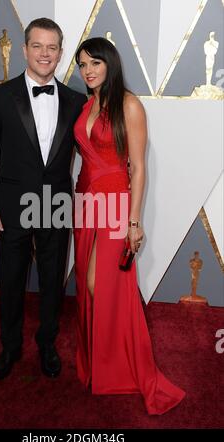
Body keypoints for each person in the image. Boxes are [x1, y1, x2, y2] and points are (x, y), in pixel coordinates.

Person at [73, 37, 185, 415]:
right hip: (85, 204)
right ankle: (99, 365)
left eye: (94, 64)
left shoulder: (129, 104)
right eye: (82, 65)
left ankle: (119, 366)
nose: (88, 71)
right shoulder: (89, 103)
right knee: (89, 288)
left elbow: (138, 168)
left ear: (110, 64)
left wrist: (133, 222)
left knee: (99, 283)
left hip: (115, 206)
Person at [0, 18, 86, 382]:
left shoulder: (76, 101)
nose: (44, 53)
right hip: (9, 205)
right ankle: (9, 348)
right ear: (24, 50)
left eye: (52, 47)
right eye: (37, 46)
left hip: (55, 204)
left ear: (60, 53)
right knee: (11, 281)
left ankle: (47, 345)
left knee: (53, 280)